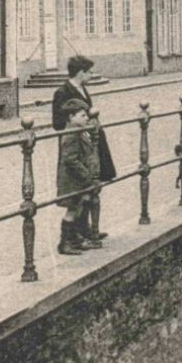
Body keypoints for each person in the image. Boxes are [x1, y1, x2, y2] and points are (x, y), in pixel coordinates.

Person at [53, 56, 116, 243]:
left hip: (90, 141)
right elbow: (57, 123)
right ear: (80, 72)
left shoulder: (82, 88)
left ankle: (86, 228)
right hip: (77, 142)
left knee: (91, 185)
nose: (91, 75)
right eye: (89, 72)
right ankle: (78, 232)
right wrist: (77, 125)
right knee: (81, 186)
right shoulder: (62, 92)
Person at [55, 99, 99, 255]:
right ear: (71, 117)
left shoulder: (78, 130)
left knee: (78, 206)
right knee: (72, 209)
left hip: (77, 179)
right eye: (82, 115)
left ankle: (74, 239)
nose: (86, 118)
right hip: (72, 180)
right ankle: (64, 243)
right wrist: (87, 175)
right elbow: (70, 158)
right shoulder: (71, 133)